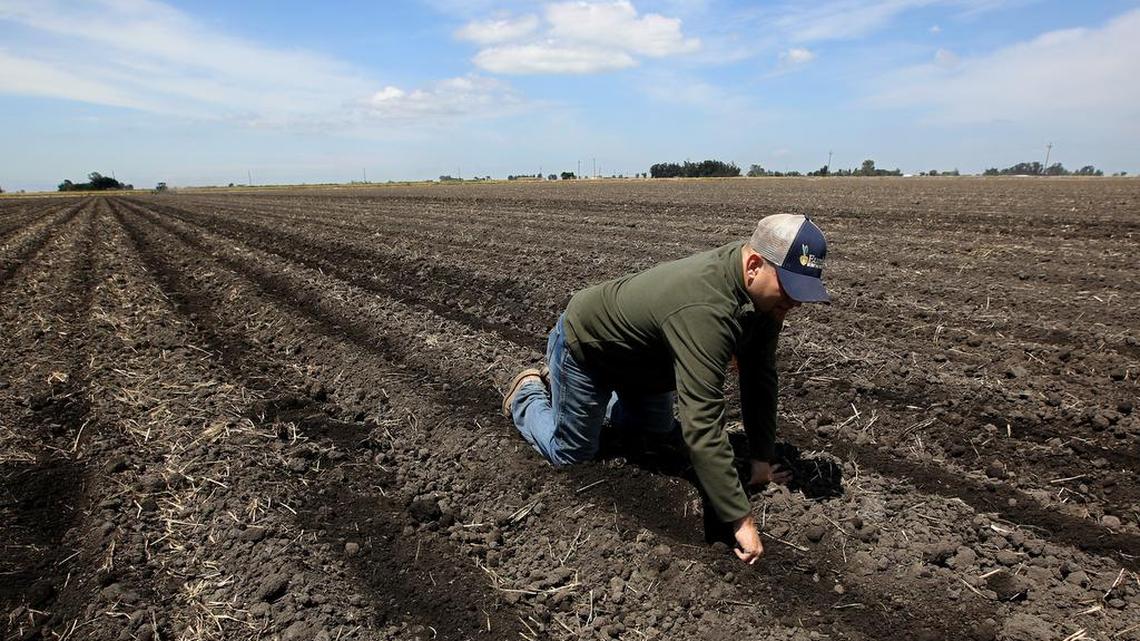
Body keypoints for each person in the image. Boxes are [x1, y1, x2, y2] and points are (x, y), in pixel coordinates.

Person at [502, 214, 829, 564]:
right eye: (790, 289)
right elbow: (702, 424)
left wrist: (761, 460)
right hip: (588, 350)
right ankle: (529, 392)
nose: (796, 303)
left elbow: (759, 377)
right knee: (572, 452)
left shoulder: (764, 302)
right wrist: (739, 518)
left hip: (646, 364)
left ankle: (589, 403)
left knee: (655, 433)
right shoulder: (706, 308)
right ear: (753, 265)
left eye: (803, 292)